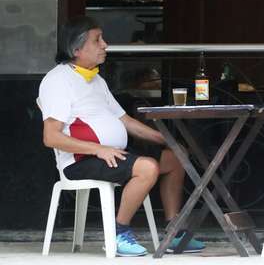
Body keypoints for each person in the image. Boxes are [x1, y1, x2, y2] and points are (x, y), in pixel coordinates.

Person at [39, 16, 205, 257]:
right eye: (97, 40)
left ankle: (173, 233)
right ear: (76, 49)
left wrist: (166, 139)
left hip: (111, 155)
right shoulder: (58, 80)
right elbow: (51, 137)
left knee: (175, 157)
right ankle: (118, 234)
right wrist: (98, 149)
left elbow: (125, 121)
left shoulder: (95, 79)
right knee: (147, 168)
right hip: (81, 161)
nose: (105, 44)